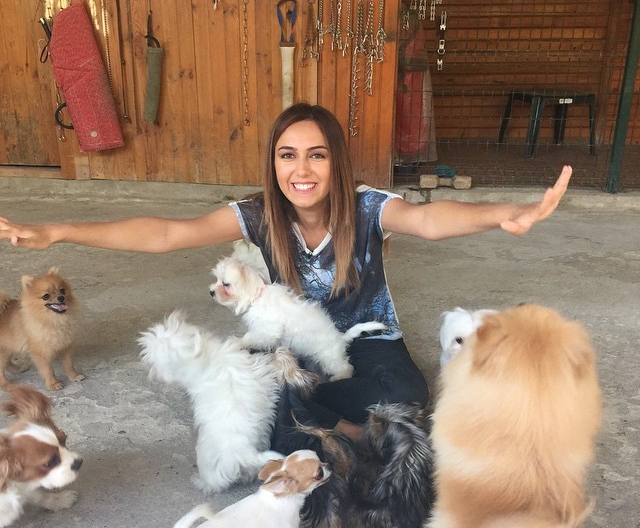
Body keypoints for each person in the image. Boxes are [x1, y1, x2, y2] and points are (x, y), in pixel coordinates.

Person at [0, 103, 572, 447]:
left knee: (407, 395)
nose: (302, 169)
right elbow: (167, 233)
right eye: (288, 154)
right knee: (268, 404)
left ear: (336, 161)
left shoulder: (368, 207)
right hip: (295, 343)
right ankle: (344, 433)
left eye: (317, 154)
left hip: (370, 341)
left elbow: (428, 219)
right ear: (274, 162)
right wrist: (58, 230)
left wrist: (505, 212)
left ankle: (323, 427)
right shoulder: (257, 214)